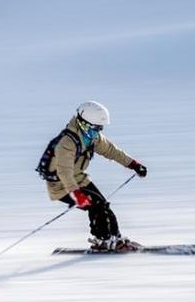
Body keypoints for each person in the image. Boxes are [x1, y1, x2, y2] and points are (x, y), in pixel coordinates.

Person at [36, 101, 147, 251]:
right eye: (94, 128)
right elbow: (64, 172)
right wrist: (76, 194)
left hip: (79, 178)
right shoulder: (67, 143)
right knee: (97, 206)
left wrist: (134, 165)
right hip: (62, 185)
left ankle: (115, 238)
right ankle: (104, 240)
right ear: (83, 123)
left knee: (103, 205)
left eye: (99, 128)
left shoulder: (91, 137)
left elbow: (111, 151)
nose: (97, 132)